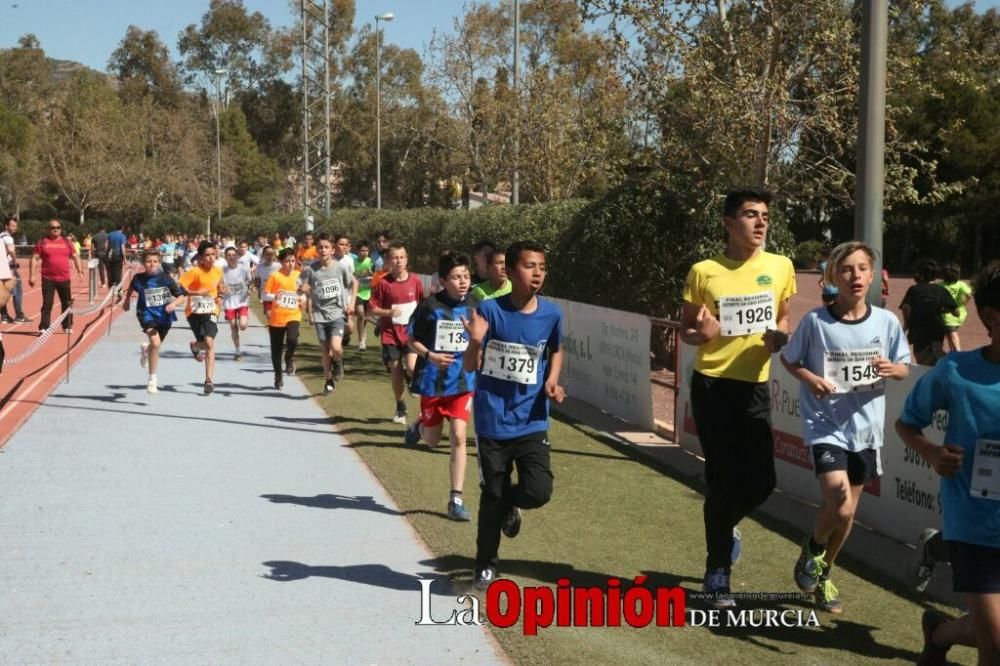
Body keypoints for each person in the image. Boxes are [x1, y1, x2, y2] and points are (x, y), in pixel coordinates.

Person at [679, 188, 796, 609]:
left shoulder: (781, 266)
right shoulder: (704, 272)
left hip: (755, 385)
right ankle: (717, 573)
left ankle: (725, 526)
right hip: (712, 384)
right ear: (729, 223)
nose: (761, 223)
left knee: (763, 481)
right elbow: (687, 329)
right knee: (723, 478)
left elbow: (782, 314)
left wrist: (779, 336)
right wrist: (702, 335)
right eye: (750, 215)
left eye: (765, 215)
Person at [780, 241, 910, 613]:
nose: (855, 276)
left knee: (848, 513)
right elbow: (791, 360)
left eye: (861, 269)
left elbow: (904, 367)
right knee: (837, 501)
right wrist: (811, 379)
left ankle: (823, 575)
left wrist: (892, 369)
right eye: (847, 269)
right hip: (825, 425)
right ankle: (813, 549)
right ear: (834, 275)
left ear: (873, 276)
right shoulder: (816, 322)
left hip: (866, 430)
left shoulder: (886, 322)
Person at [895, 260, 1000, 666]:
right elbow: (907, 425)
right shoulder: (956, 371)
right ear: (991, 316)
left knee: (992, 628)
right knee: (995, 641)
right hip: (974, 522)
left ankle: (938, 633)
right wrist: (934, 454)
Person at [461, 241, 565, 588]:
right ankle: (485, 564)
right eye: (530, 266)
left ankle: (511, 504)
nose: (538, 273)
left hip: (533, 419)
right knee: (492, 497)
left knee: (539, 491)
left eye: (542, 267)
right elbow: (469, 366)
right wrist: (475, 341)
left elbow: (557, 350)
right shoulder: (489, 311)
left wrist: (551, 380)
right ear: (510, 271)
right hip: (493, 421)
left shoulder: (551, 314)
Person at [404, 251, 477, 522]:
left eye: (466, 277)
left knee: (459, 435)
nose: (462, 282)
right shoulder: (430, 306)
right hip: (433, 382)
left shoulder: (476, 304)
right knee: (433, 441)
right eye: (456, 277)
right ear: (444, 280)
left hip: (464, 381)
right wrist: (430, 356)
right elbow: (411, 339)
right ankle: (419, 425)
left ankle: (456, 499)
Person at [369, 242, 424, 423]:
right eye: (395, 257)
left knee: (411, 367)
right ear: (388, 261)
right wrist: (388, 313)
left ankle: (411, 380)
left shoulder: (415, 281)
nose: (399, 261)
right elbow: (372, 308)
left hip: (410, 333)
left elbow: (423, 304)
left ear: (407, 259)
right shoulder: (384, 283)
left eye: (402, 257)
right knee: (396, 372)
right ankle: (400, 406)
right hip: (390, 334)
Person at [122, 250, 187, 393]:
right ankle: (152, 380)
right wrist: (126, 301)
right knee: (156, 343)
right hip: (146, 314)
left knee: (154, 346)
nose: (152, 264)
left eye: (155, 261)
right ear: (143, 263)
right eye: (148, 261)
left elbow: (181, 297)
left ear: (159, 263)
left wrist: (174, 304)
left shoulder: (166, 278)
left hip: (164, 316)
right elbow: (131, 287)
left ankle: (146, 351)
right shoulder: (138, 278)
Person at [300, 233, 355, 394]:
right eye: (320, 247)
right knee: (325, 350)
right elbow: (300, 285)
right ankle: (328, 380)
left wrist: (350, 303)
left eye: (326, 247)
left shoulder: (340, 268)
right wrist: (302, 288)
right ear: (316, 250)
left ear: (332, 250)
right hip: (319, 315)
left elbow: (354, 282)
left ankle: (338, 362)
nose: (323, 250)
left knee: (336, 348)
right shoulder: (311, 269)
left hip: (337, 313)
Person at [179, 240, 226, 395]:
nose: (211, 258)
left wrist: (220, 295)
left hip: (212, 310)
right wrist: (197, 293)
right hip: (193, 312)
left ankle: (208, 380)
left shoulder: (218, 270)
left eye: (213, 254)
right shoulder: (194, 272)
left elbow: (221, 285)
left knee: (209, 342)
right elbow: (180, 289)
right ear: (200, 257)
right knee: (203, 343)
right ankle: (195, 347)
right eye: (207, 255)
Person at [29, 219, 83, 335]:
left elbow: (75, 256)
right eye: (53, 228)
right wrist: (32, 275)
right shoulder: (43, 242)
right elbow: (34, 258)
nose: (56, 230)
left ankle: (67, 325)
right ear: (48, 229)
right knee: (47, 304)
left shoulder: (67, 242)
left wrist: (80, 271)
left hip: (64, 278)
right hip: (48, 278)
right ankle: (44, 327)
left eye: (58, 227)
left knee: (67, 303)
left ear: (61, 229)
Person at [901, 259, 959, 366]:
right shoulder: (941, 290)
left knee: (923, 360)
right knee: (934, 357)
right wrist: (942, 309)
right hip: (936, 331)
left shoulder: (914, 290)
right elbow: (956, 312)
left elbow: (905, 307)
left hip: (917, 331)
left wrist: (907, 323)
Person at [263, 248, 304, 390]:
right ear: (281, 262)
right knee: (276, 349)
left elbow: (303, 292)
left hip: (294, 314)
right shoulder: (275, 276)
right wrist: (275, 297)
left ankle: (289, 357)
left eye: (293, 261)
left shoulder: (299, 275)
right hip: (277, 317)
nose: (290, 264)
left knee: (293, 340)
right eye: (287, 261)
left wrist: (303, 298)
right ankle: (278, 376)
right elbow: (265, 295)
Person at [222, 246, 252, 361]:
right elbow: (219, 285)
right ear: (225, 257)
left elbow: (250, 281)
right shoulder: (223, 270)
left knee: (243, 325)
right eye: (228, 255)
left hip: (242, 301)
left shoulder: (243, 269)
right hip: (229, 303)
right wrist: (223, 289)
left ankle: (244, 319)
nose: (231, 257)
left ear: (237, 256)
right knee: (234, 328)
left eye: (233, 255)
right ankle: (237, 351)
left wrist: (249, 289)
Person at [940, 262, 973, 353]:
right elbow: (969, 294)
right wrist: (963, 304)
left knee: (952, 335)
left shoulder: (940, 285)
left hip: (947, 315)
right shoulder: (961, 284)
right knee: (949, 335)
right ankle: (953, 353)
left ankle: (958, 354)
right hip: (959, 313)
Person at [1, 217, 28, 323]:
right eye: (12, 226)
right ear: (6, 226)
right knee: (17, 291)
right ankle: (19, 315)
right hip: (9, 267)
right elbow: (11, 249)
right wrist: (15, 261)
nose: (15, 228)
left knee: (3, 292)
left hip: (2, 268)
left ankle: (4, 316)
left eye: (16, 226)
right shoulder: (8, 238)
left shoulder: (0, 236)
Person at [354, 240, 374, 351]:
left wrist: (371, 276)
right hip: (358, 292)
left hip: (369, 293)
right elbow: (352, 277)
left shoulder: (370, 262)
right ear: (358, 251)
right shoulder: (353, 262)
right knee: (361, 314)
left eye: (366, 250)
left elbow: (375, 277)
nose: (364, 252)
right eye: (362, 250)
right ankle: (361, 341)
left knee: (365, 317)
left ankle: (363, 337)